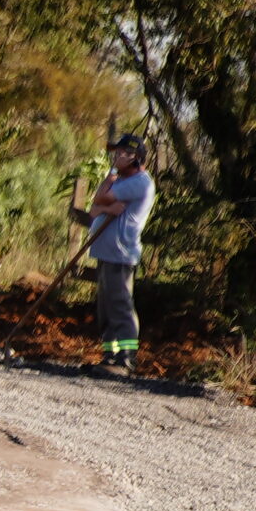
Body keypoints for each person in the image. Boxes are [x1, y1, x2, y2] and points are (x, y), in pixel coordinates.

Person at [75, 133, 156, 372]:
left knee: (120, 305)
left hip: (121, 254)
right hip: (104, 253)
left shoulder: (139, 182)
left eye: (125, 154)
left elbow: (100, 198)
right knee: (105, 307)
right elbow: (93, 209)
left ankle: (126, 358)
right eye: (117, 152)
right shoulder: (119, 180)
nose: (118, 157)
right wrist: (106, 202)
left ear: (137, 158)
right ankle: (109, 356)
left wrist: (104, 199)